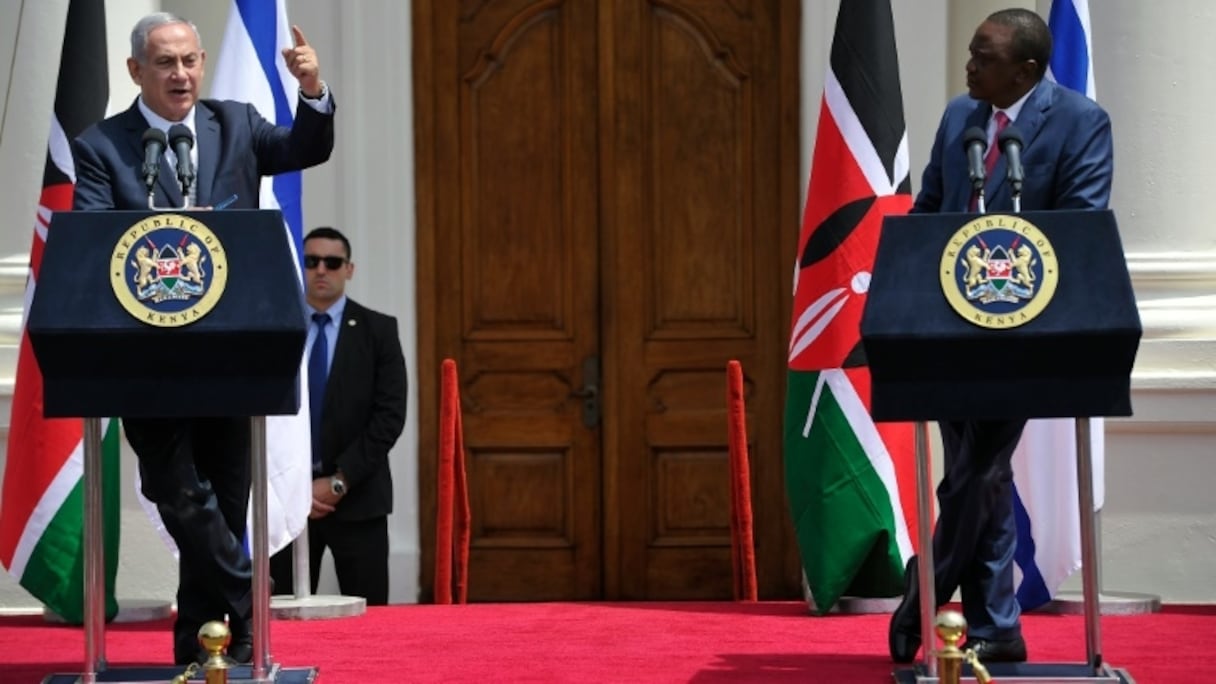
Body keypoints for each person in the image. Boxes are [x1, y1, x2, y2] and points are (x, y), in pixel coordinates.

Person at [70, 12, 336, 665]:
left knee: (220, 502)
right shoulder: (102, 147)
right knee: (181, 495)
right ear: (137, 71)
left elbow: (305, 149)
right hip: (146, 361)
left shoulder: (237, 124)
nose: (182, 74)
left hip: (232, 351)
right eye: (165, 63)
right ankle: (248, 600)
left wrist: (311, 92)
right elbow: (93, 237)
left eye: (190, 60)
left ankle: (212, 645)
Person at [888, 8, 1113, 664]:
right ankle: (997, 624)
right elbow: (930, 210)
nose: (969, 67)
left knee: (978, 467)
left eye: (984, 57)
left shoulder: (1079, 122)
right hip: (944, 328)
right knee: (975, 476)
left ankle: (924, 590)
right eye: (971, 54)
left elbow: (1082, 222)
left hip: (1027, 331)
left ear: (1027, 70)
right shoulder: (961, 116)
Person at [269, 227, 407, 605]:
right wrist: (296, 486)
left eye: (332, 262)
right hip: (286, 502)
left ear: (349, 269)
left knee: (370, 619)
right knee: (282, 619)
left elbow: (389, 416)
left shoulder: (379, 331)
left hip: (358, 499)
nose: (321, 271)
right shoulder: (276, 328)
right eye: (311, 261)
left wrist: (339, 481)